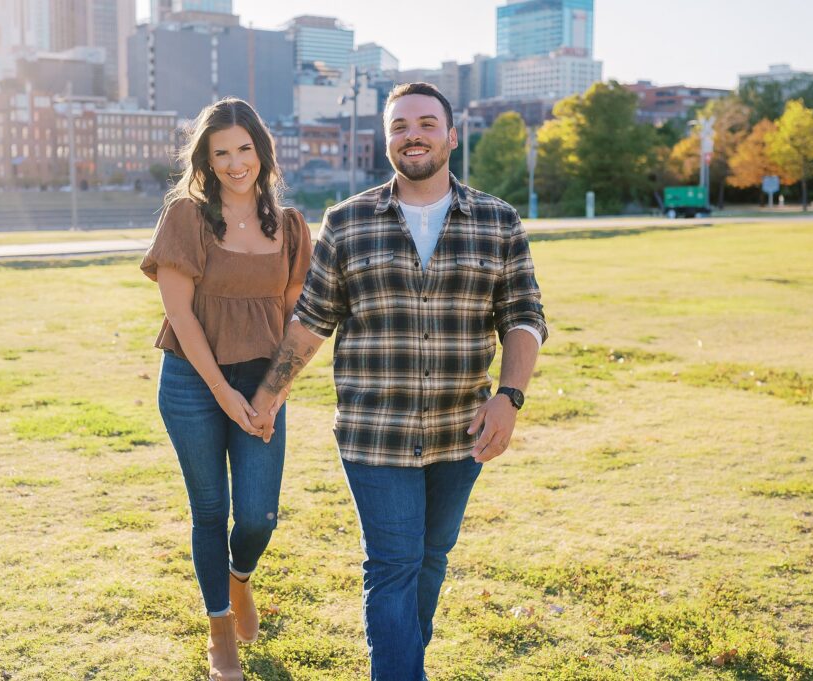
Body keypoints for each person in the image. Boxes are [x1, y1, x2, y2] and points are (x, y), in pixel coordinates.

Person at [249, 83, 547, 680]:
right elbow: (312, 321)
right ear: (385, 140)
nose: (413, 135)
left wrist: (509, 398)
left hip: (461, 431)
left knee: (430, 559)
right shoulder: (348, 221)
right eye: (400, 126)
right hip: (374, 432)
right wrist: (267, 395)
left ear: (451, 136)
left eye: (427, 124)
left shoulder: (498, 221)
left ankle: (406, 662)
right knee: (392, 565)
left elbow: (523, 316)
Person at [140, 97, 312, 681]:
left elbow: (296, 319)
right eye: (221, 153)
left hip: (262, 380)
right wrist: (222, 393)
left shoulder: (290, 228)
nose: (236, 163)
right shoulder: (186, 218)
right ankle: (220, 633)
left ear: (262, 151)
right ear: (206, 161)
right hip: (194, 381)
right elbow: (181, 317)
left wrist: (272, 395)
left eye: (245, 149)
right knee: (210, 510)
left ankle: (240, 578)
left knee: (259, 516)